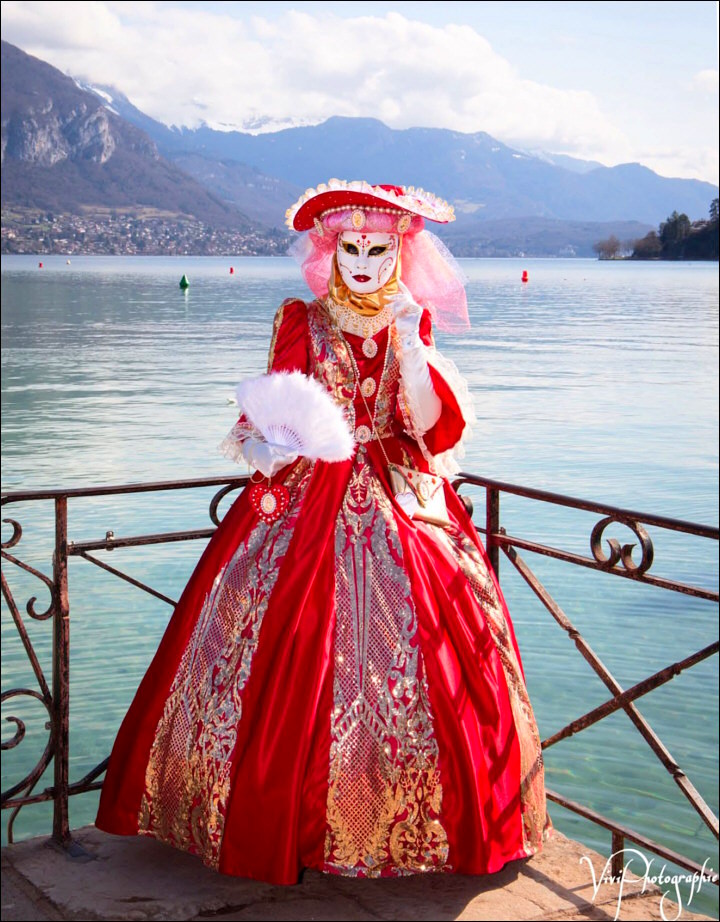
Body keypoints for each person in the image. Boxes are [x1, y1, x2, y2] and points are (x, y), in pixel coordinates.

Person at [95, 179, 553, 884]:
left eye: (379, 248)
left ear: (402, 253)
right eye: (351, 247)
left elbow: (425, 426)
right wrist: (274, 445)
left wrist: (406, 339)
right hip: (309, 499)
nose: (365, 261)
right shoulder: (300, 320)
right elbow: (269, 420)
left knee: (436, 649)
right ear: (329, 251)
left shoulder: (412, 321)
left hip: (404, 500)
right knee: (284, 645)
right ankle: (265, 819)